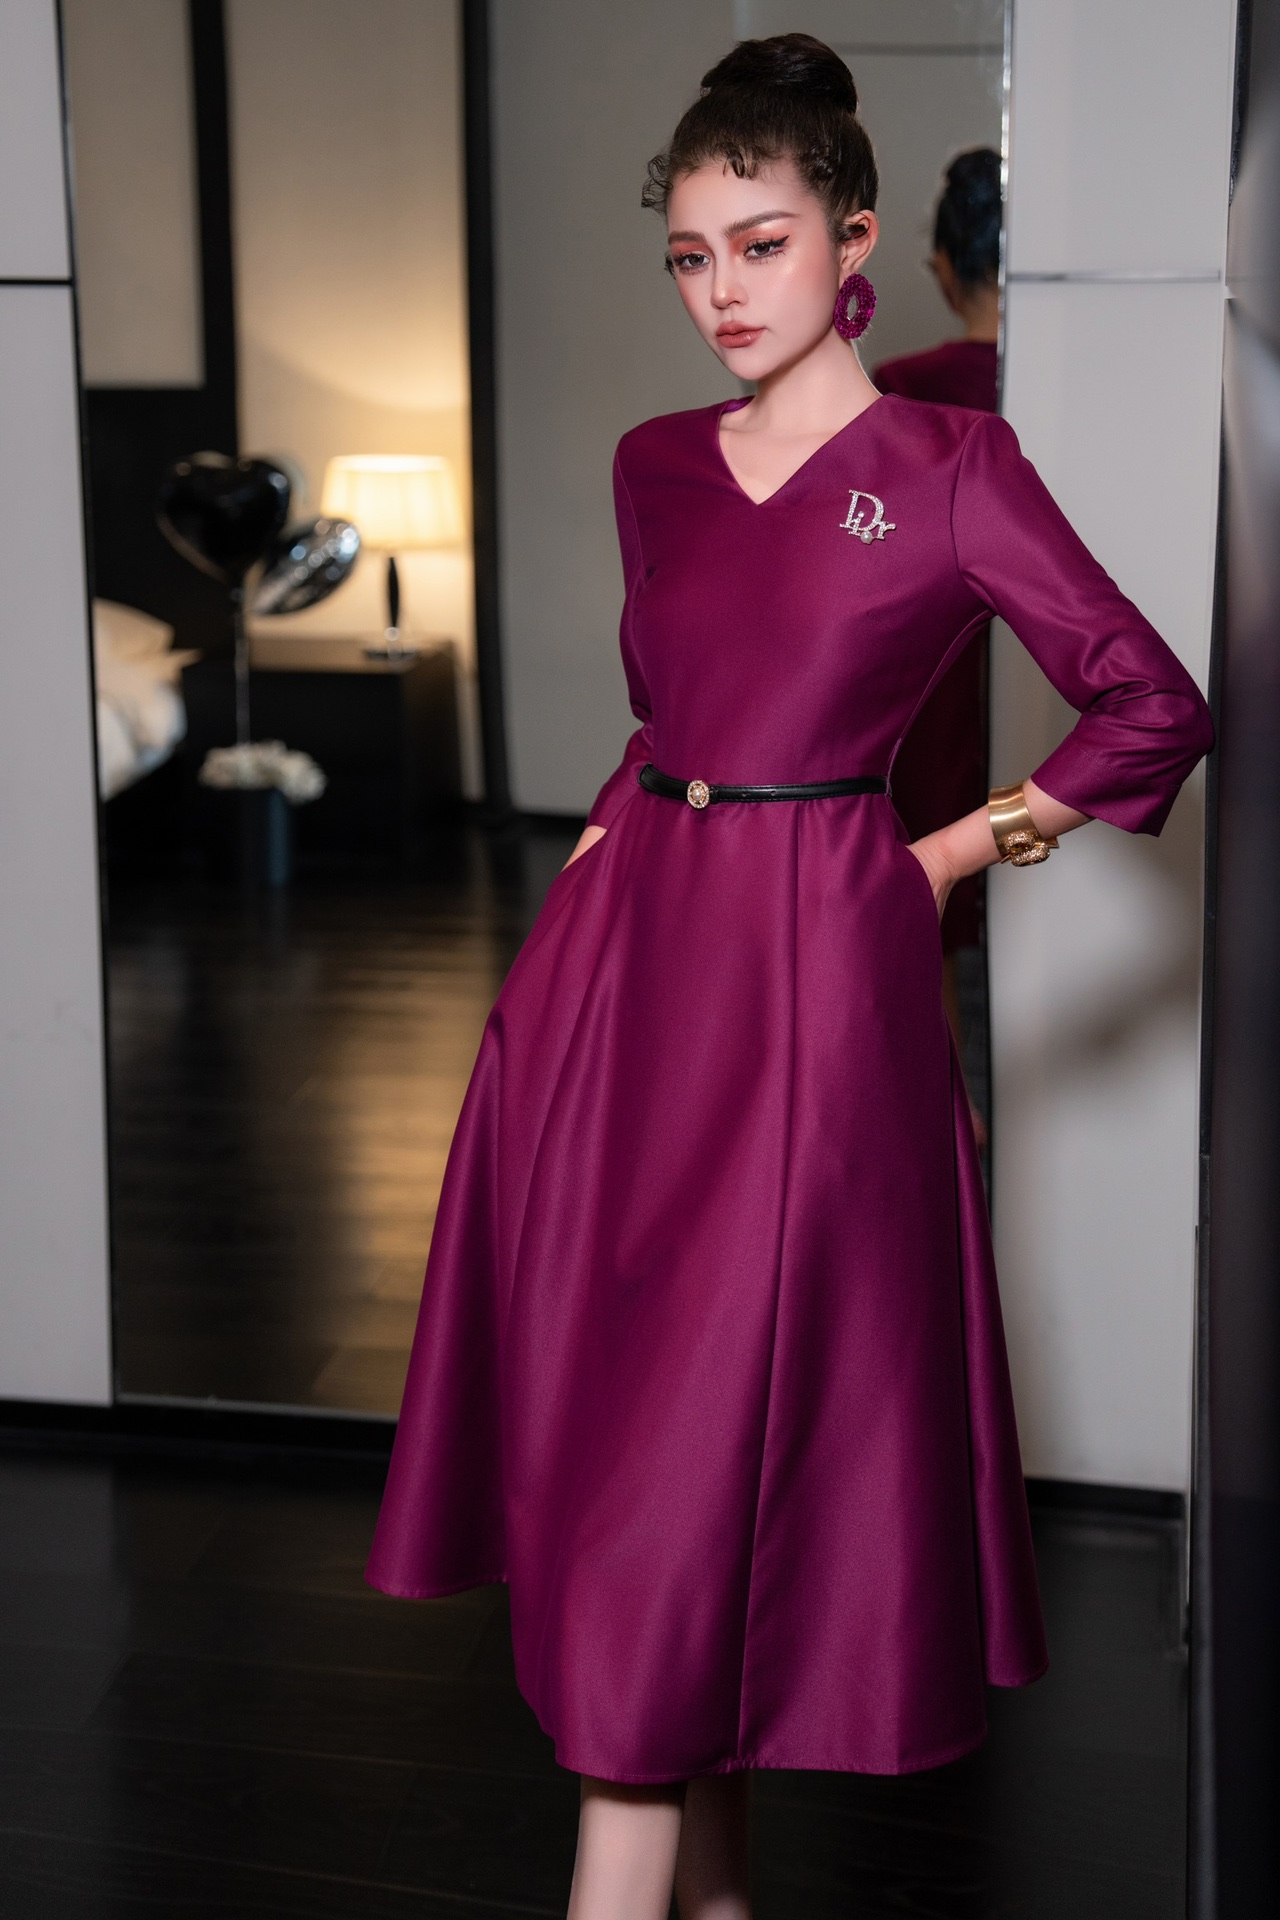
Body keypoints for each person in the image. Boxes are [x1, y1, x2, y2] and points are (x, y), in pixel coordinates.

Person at [367, 36, 1213, 1920]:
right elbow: (664, 723)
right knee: (625, 1438)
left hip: (813, 988)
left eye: (759, 245)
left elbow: (1152, 701)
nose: (723, 291)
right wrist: (576, 906)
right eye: (690, 256)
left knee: (699, 1460)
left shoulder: (953, 470)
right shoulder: (654, 465)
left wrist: (941, 857)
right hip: (619, 974)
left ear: (851, 243)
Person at [875, 150, 1002, 1042]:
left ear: (946, 269)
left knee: (931, 884)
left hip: (943, 660)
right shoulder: (1075, 380)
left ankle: (955, 1087)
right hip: (1046, 645)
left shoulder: (905, 387)